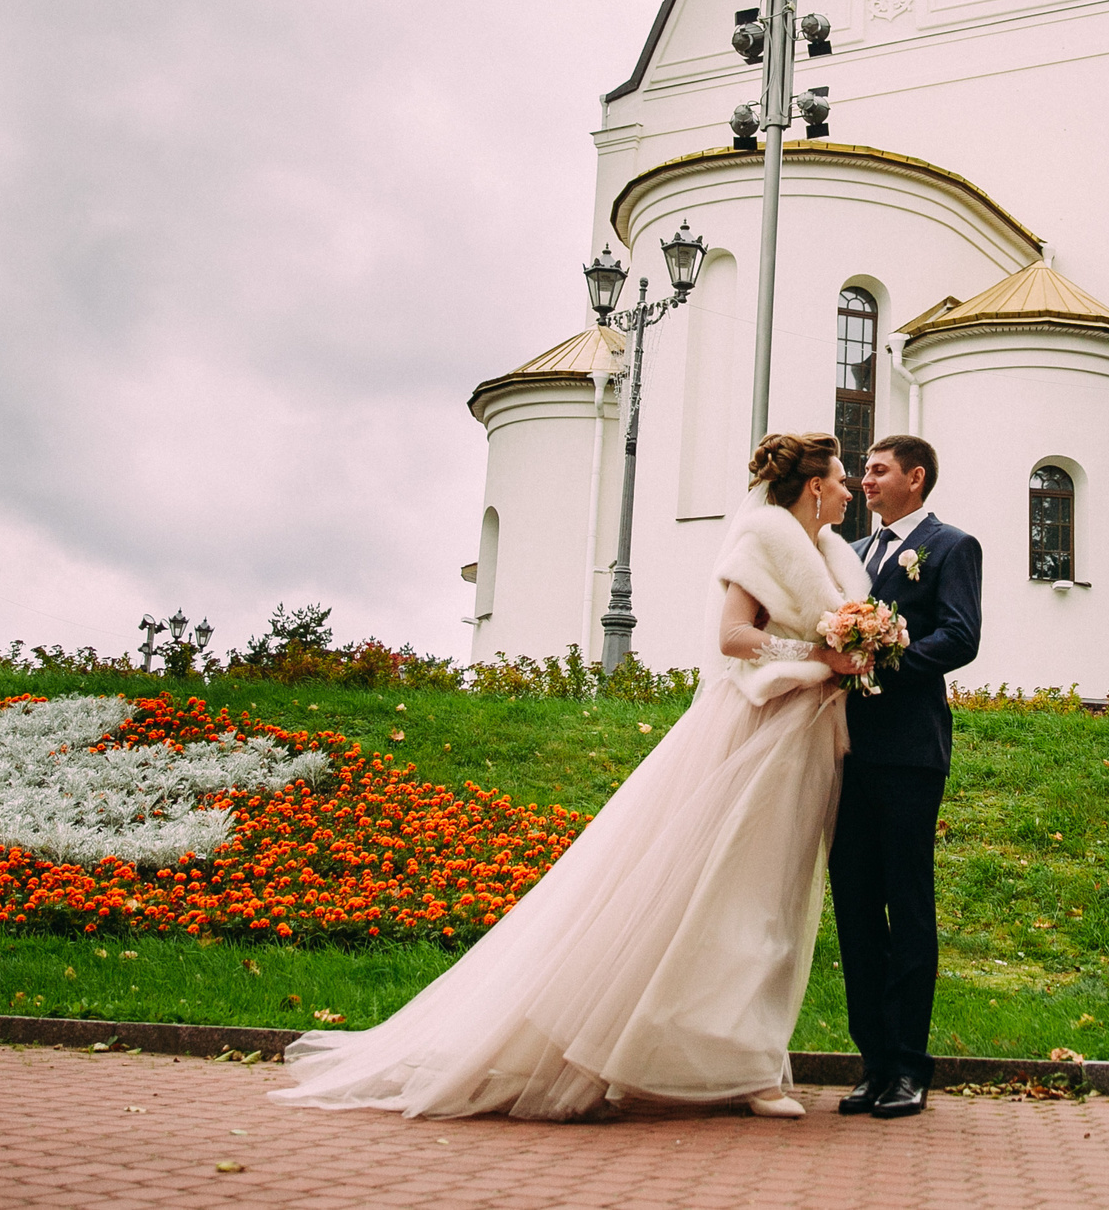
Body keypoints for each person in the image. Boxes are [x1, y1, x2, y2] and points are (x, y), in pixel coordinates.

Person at [269, 432, 871, 1122]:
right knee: (717, 892)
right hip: (753, 729)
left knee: (772, 902)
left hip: (805, 739)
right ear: (815, 485)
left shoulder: (834, 558)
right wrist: (817, 653)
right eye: (842, 476)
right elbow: (733, 636)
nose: (851, 489)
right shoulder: (763, 539)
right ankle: (688, 1059)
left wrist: (846, 654)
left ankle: (741, 1060)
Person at [830, 434, 982, 1119]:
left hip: (910, 753)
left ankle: (911, 1068)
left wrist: (886, 655)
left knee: (908, 905)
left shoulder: (952, 546)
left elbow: (960, 635)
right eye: (864, 470)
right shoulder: (856, 556)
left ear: (915, 478)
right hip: (845, 751)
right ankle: (873, 1061)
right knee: (857, 908)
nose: (865, 480)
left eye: (878, 469)